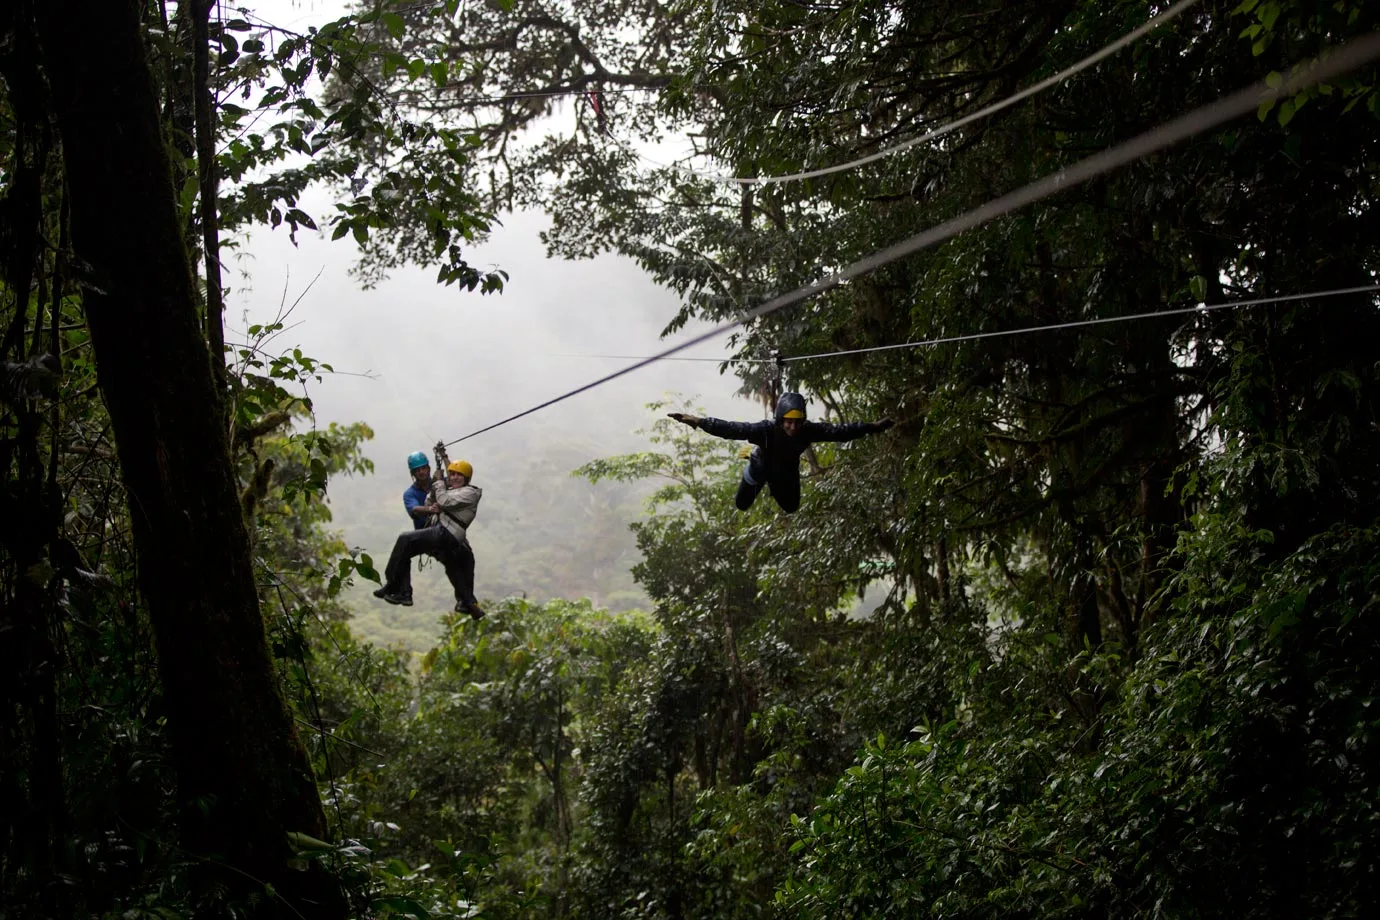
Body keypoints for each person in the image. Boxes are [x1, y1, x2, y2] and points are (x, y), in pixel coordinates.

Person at [668, 392, 893, 513]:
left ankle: (773, 485)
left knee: (792, 507)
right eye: (788, 423)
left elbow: (840, 432)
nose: (793, 428)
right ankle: (751, 460)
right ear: (780, 420)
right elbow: (732, 429)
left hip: (784, 473)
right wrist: (699, 421)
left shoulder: (808, 431)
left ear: (803, 421)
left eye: (797, 423)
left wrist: (872, 427)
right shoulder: (765, 430)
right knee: (742, 505)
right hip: (760, 469)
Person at [374, 457, 486, 619]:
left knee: (405, 540)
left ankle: (394, 586)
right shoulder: (444, 489)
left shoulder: (469, 492)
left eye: (458, 476)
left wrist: (440, 482)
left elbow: (444, 499)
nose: (453, 478)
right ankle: (466, 602)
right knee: (453, 566)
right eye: (451, 475)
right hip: (441, 533)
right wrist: (434, 496)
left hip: (446, 534)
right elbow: (429, 501)